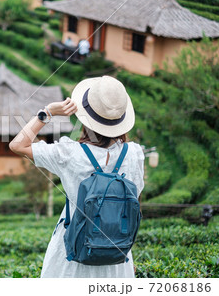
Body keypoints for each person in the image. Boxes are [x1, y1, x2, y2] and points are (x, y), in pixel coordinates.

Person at [9, 75, 145, 278]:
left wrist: (47, 113)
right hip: (117, 257)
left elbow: (18, 145)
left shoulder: (70, 153)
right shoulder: (135, 154)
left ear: (85, 119)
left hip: (72, 256)